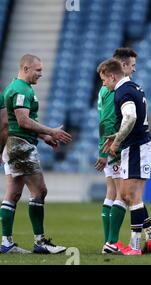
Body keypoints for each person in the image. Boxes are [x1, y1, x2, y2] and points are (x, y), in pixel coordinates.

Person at [1, 54, 72, 254]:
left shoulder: (16, 88)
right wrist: (51, 131)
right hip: (20, 145)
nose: (41, 74)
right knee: (40, 191)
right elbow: (22, 121)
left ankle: (6, 243)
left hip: (15, 143)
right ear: (25, 68)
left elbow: (14, 122)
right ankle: (40, 242)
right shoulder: (21, 90)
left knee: (13, 193)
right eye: (38, 70)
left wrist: (43, 136)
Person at [98, 48, 151, 255]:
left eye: (105, 80)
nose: (104, 84)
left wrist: (116, 140)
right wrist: (116, 136)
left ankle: (134, 246)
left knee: (131, 196)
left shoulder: (123, 91)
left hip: (137, 146)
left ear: (113, 75)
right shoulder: (133, 87)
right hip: (136, 145)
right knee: (126, 194)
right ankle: (150, 237)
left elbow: (131, 117)